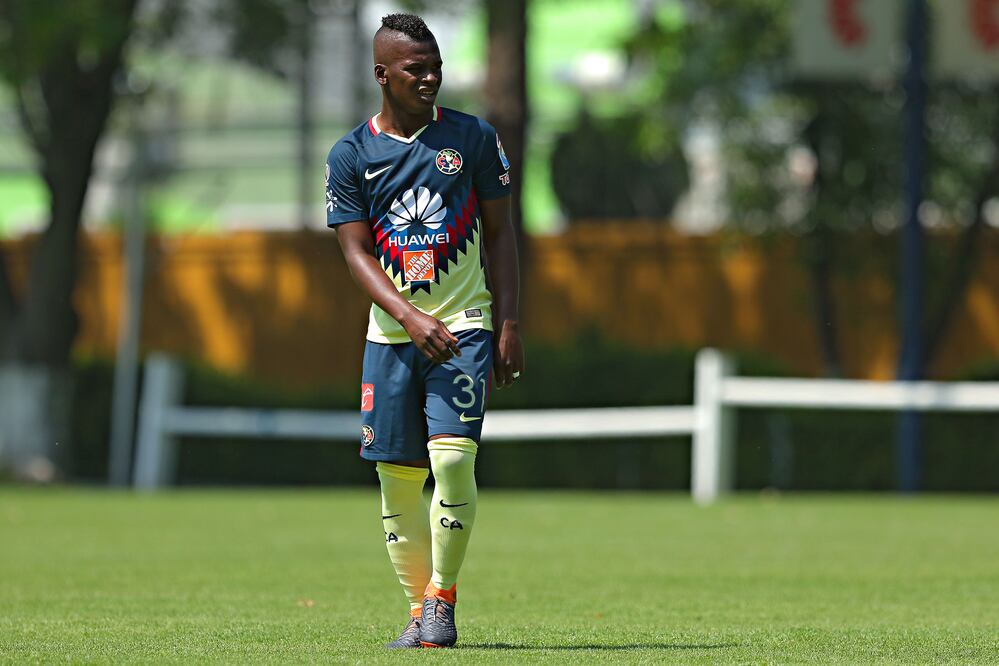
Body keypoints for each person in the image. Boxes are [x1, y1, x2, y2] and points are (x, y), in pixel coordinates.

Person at [325, 12, 524, 649]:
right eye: (416, 69)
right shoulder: (352, 155)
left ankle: (443, 597)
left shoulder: (473, 138)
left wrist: (508, 321)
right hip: (390, 338)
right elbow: (355, 252)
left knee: (454, 461)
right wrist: (408, 317)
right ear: (382, 74)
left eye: (436, 66)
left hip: (464, 328)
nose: (431, 77)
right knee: (397, 480)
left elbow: (501, 234)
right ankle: (417, 610)